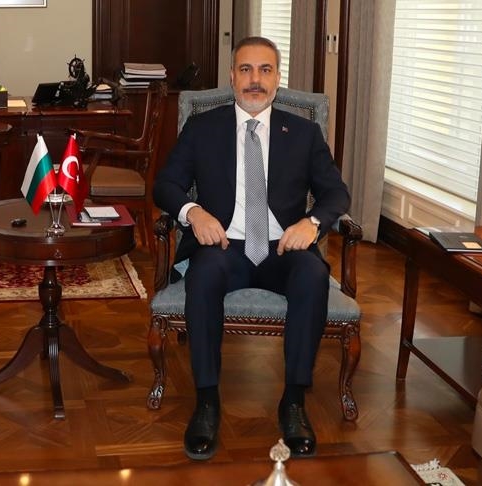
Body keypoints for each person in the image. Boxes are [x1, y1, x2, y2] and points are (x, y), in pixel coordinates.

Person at [153, 37, 350, 461]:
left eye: (265, 70)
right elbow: (165, 184)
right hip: (224, 245)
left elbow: (336, 193)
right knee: (203, 275)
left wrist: (312, 223)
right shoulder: (203, 128)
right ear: (232, 77)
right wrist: (193, 212)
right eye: (245, 69)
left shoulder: (304, 133)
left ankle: (293, 402)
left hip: (283, 247)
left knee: (313, 275)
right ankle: (207, 402)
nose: (254, 80)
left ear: (278, 79)